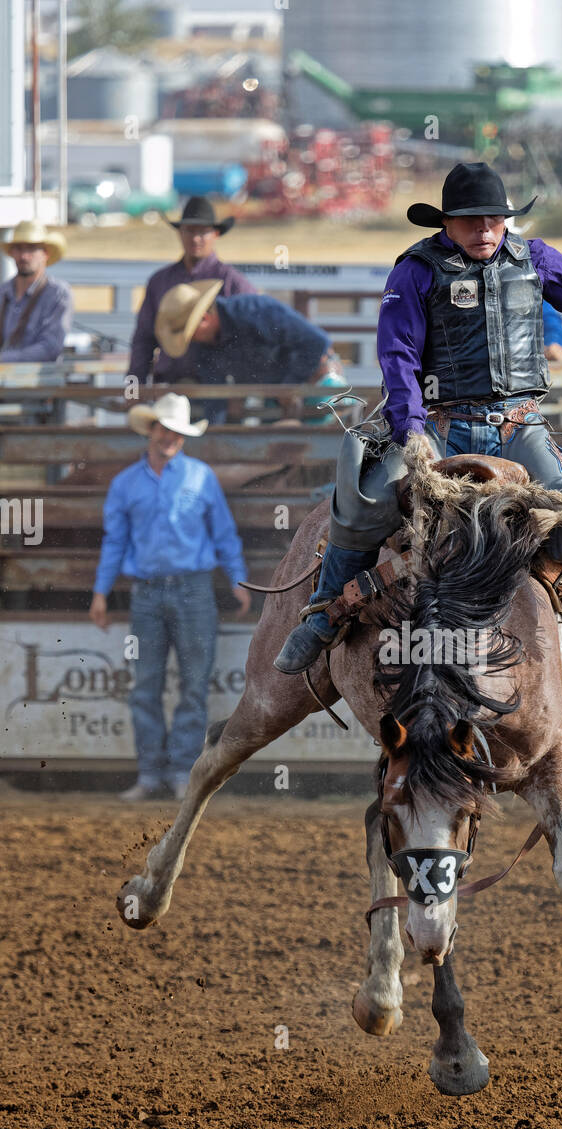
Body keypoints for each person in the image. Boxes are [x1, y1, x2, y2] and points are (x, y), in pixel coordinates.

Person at [274, 161, 562, 676]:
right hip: (440, 427)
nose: (485, 231)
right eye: (471, 220)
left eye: (494, 219)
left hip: (518, 425)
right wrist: (410, 434)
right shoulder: (415, 270)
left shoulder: (535, 258)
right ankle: (324, 613)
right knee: (369, 497)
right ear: (445, 222)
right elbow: (397, 354)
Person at [89, 393, 250, 801]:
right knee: (146, 685)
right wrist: (100, 592)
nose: (170, 437)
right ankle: (151, 773)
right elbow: (114, 541)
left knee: (193, 687)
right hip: (147, 593)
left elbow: (223, 532)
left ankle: (180, 772)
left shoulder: (200, 477)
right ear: (151, 430)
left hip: (194, 589)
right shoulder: (126, 484)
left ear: (182, 437)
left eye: (177, 432)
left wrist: (238, 578)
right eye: (164, 428)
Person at [153, 281, 347, 424]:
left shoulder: (253, 311)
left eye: (191, 332)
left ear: (204, 318)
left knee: (329, 455)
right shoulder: (203, 346)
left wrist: (290, 384)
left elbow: (315, 342)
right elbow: (215, 393)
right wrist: (215, 433)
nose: (191, 340)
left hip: (317, 385)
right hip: (276, 400)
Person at [128, 196, 257, 387]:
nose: (195, 238)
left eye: (203, 232)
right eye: (189, 230)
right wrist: (134, 386)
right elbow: (144, 338)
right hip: (170, 382)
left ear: (216, 234)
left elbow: (252, 336)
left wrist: (239, 389)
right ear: (180, 233)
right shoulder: (160, 281)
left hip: (218, 386)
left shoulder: (232, 282)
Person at [0, 219, 72, 362]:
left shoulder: (57, 293)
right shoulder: (3, 292)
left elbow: (50, 348)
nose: (24, 256)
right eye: (19, 248)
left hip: (40, 381)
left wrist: (4, 359)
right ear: (12, 253)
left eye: (31, 248)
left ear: (46, 254)